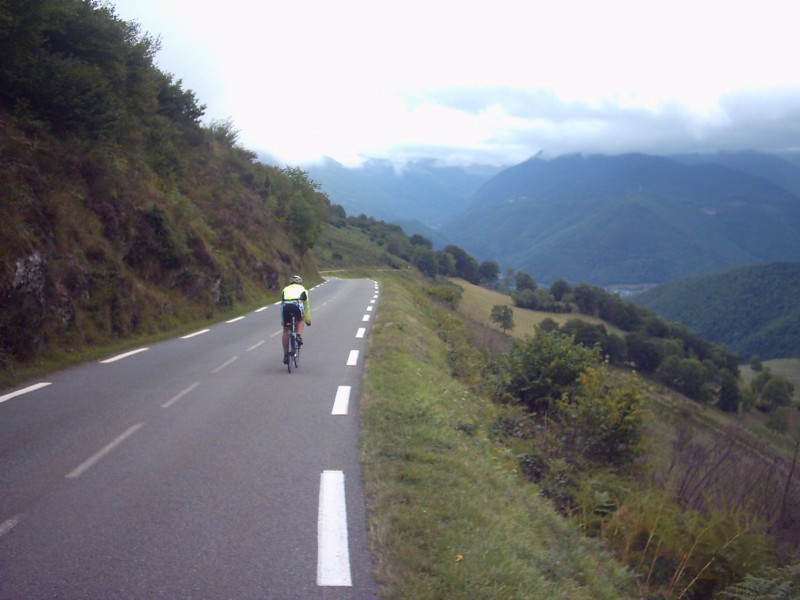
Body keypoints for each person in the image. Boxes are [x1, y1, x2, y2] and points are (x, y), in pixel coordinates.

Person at [281, 274, 310, 364]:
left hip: (286, 306)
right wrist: (307, 319)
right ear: (300, 282)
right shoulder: (303, 289)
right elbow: (306, 306)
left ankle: (286, 354)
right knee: (301, 319)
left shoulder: (285, 289)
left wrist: (283, 320)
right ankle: (298, 336)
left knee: (286, 330)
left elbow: (282, 304)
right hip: (297, 304)